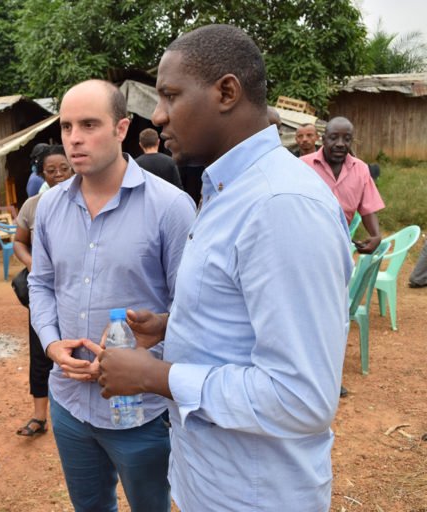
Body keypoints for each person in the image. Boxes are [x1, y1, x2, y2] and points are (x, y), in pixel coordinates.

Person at [96, 25, 353, 512]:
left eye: (170, 95)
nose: (157, 114)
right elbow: (250, 316)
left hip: (255, 495)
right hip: (209, 481)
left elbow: (301, 396)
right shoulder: (227, 192)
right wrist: (175, 327)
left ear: (226, 92)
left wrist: (158, 377)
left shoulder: (279, 205)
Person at [28, 79, 195, 511]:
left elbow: (191, 311)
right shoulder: (49, 207)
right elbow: (41, 283)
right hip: (68, 403)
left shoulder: (171, 208)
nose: (74, 139)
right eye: (66, 127)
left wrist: (152, 344)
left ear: (122, 129)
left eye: (89, 124)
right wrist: (51, 343)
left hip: (141, 410)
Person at [12, 145, 73, 437]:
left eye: (64, 168)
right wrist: (34, 265)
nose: (59, 175)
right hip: (44, 290)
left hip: (75, 290)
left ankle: (79, 413)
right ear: (42, 174)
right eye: (51, 171)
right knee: (40, 350)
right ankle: (39, 416)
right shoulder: (33, 205)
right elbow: (20, 242)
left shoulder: (85, 199)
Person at [301, 116, 385, 254]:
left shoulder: (361, 169)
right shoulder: (302, 165)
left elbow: (368, 209)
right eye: (333, 137)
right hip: (305, 242)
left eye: (346, 139)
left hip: (339, 246)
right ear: (323, 139)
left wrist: (375, 235)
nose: (340, 144)